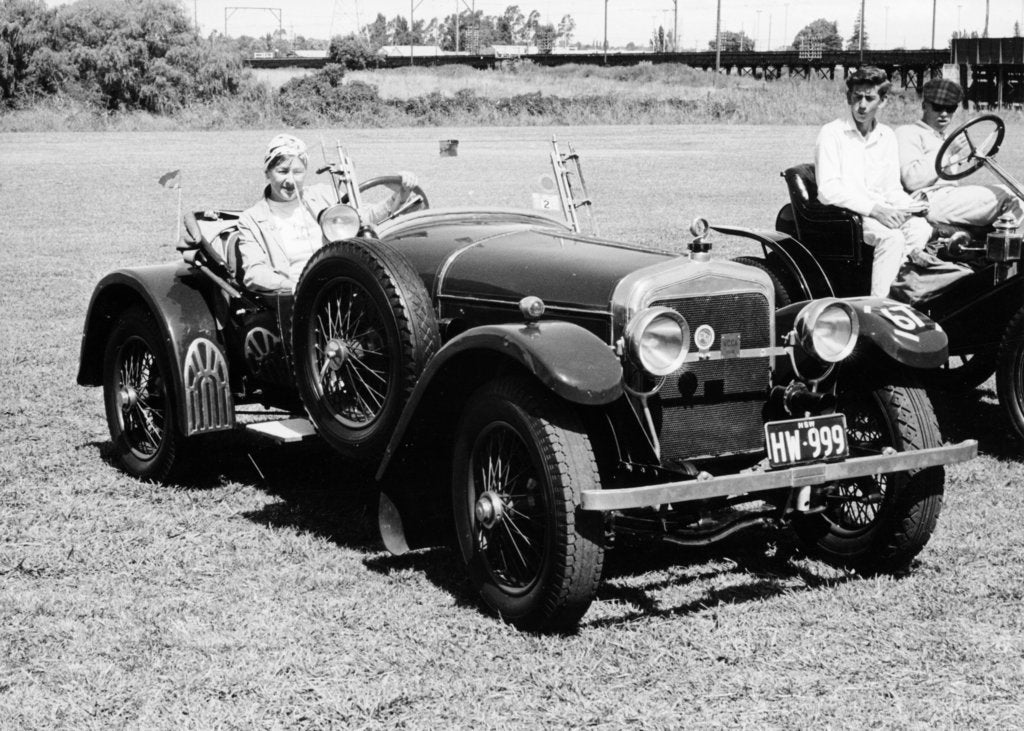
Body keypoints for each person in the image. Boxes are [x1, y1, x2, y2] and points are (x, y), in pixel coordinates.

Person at [237, 133, 419, 293]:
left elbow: (364, 218)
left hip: (340, 285)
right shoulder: (252, 219)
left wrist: (400, 195)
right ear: (267, 172)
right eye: (282, 171)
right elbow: (255, 273)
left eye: (298, 172)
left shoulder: (324, 195)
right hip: (296, 298)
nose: (290, 180)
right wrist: (294, 285)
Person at [815, 66, 933, 298]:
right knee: (892, 238)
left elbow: (891, 188)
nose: (862, 105)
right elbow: (828, 190)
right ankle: (879, 308)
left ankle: (903, 294)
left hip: (878, 211)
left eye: (870, 98)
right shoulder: (832, 133)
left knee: (921, 227)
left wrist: (910, 207)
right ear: (849, 97)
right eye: (857, 97)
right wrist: (875, 210)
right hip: (847, 215)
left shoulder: (886, 135)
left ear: (883, 101)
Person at [895, 77, 1023, 229]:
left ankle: (1002, 242)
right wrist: (948, 151)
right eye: (937, 107)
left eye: (950, 109)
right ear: (924, 106)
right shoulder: (908, 133)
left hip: (949, 198)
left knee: (1018, 192)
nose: (944, 114)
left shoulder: (947, 137)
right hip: (926, 201)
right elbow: (912, 181)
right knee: (1009, 195)